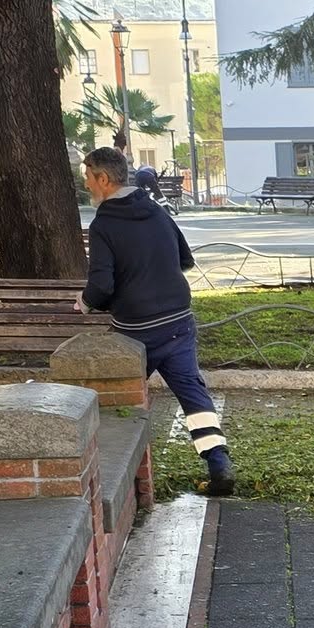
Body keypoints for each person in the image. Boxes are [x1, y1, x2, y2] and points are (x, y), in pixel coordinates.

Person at [76, 145, 235, 495]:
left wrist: (85, 304)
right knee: (193, 394)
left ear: (103, 179)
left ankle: (114, 479)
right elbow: (185, 260)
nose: (86, 184)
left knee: (118, 399)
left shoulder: (103, 223)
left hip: (136, 332)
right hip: (178, 321)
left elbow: (101, 285)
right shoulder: (157, 211)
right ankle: (219, 462)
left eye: (88, 177)